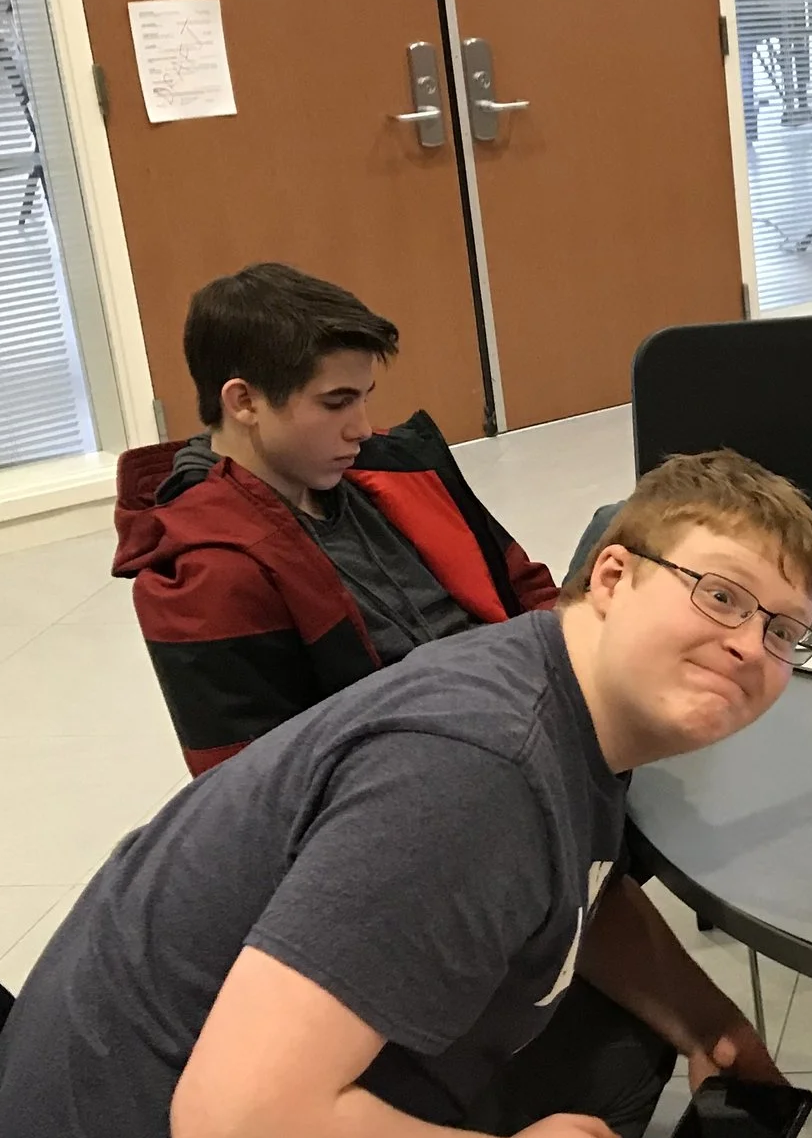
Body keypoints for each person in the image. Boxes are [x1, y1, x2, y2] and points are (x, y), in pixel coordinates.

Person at [0, 451, 812, 1138]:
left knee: (617, 1040)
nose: (749, 645)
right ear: (611, 577)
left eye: (784, 632)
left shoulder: (544, 684)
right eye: (719, 595)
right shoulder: (474, 775)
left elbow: (586, 892)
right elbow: (233, 1125)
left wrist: (710, 1023)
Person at [115, 262, 560, 776]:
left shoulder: (391, 464)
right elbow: (258, 792)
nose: (363, 429)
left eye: (364, 398)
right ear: (244, 402)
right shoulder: (209, 572)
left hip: (527, 699)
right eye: (335, 403)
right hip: (450, 773)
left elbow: (523, 585)